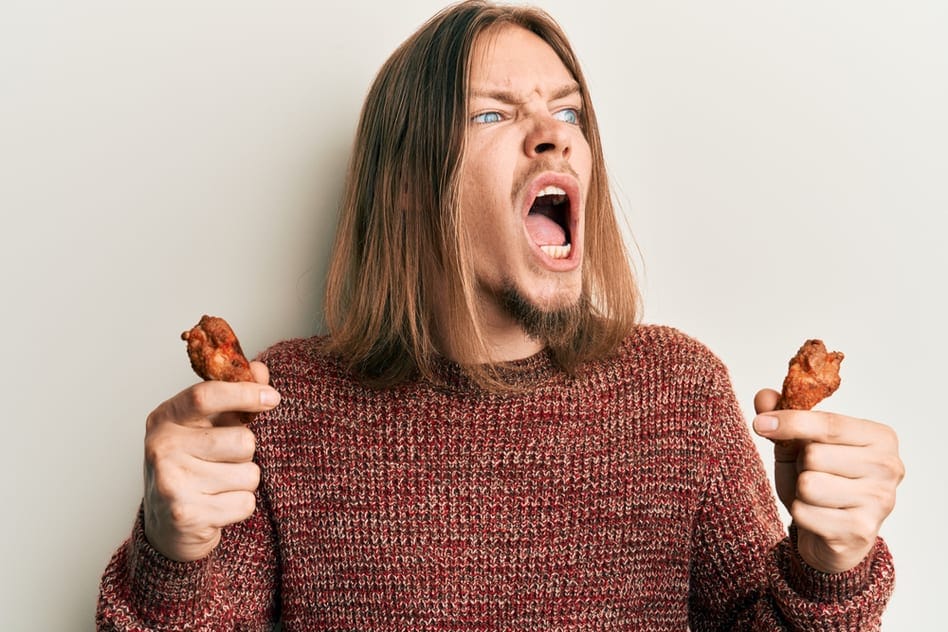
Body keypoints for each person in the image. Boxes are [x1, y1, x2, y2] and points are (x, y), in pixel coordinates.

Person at [96, 1, 904, 629]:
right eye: (492, 113)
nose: (553, 137)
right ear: (409, 184)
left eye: (569, 111)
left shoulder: (678, 393)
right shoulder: (285, 406)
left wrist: (829, 569)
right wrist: (171, 557)